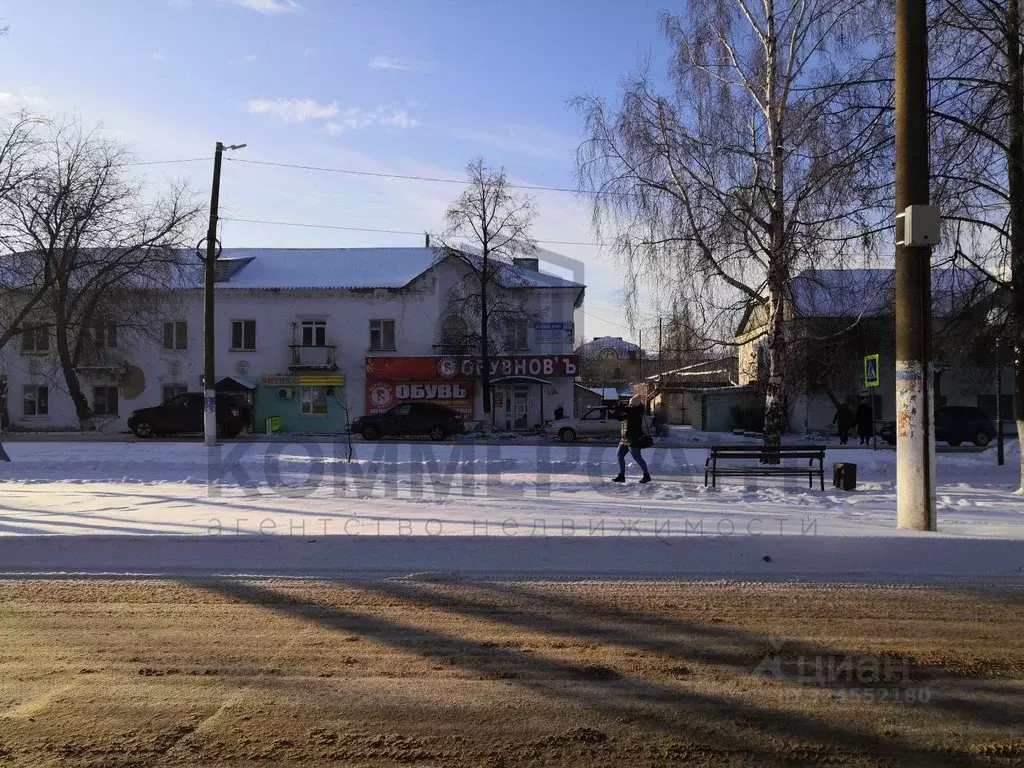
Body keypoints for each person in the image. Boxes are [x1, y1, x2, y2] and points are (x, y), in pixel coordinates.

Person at [612, 393, 651, 484]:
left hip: (633, 438)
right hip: (624, 438)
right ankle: (621, 475)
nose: (629, 405)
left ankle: (646, 475)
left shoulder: (636, 411)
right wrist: (615, 411)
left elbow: (627, 410)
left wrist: (617, 408)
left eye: (631, 404)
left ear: (635, 405)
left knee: (637, 457)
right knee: (619, 456)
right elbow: (620, 418)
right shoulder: (631, 411)